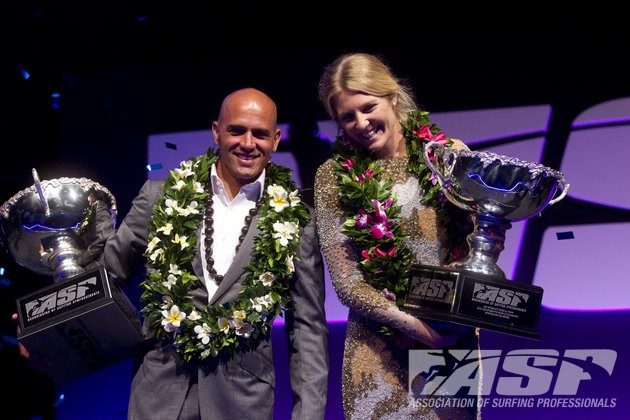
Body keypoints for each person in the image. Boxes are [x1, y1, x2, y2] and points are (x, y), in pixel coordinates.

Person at [91, 88, 328, 419]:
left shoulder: (298, 220)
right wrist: (50, 334)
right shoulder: (161, 197)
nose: (248, 143)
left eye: (260, 134)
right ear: (217, 131)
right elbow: (106, 276)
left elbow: (307, 329)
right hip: (160, 396)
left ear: (275, 140)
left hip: (243, 402)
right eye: (237, 130)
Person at [314, 53, 479, 419]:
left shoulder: (448, 157)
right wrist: (415, 327)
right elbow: (346, 284)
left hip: (449, 340)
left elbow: (476, 249)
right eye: (347, 116)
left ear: (392, 96)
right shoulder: (331, 177)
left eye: (368, 107)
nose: (361, 123)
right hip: (377, 352)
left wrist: (491, 235)